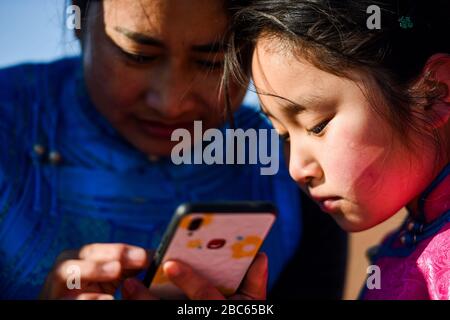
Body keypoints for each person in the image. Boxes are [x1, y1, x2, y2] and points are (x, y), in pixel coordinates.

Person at [0, 0, 347, 299]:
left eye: (212, 62)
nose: (170, 104)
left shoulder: (291, 162)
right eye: (138, 56)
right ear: (79, 18)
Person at [223, 0, 450, 299]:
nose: (296, 169)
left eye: (317, 125)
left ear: (432, 94)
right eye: (284, 137)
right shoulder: (413, 238)